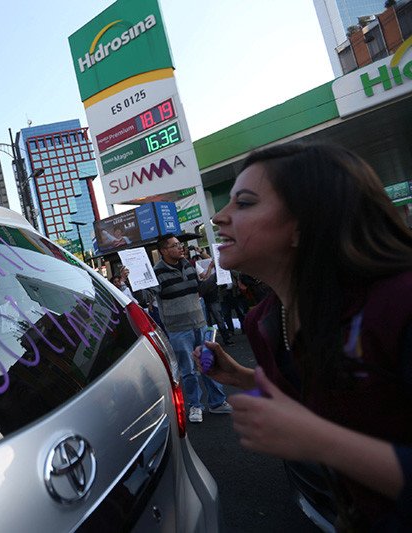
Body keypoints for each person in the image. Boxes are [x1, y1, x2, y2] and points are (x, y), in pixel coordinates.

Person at [198, 143, 412, 529]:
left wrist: (319, 441)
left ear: (305, 223)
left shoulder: (399, 302)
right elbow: (322, 393)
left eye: (244, 203)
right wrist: (244, 378)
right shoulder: (263, 322)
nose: (218, 217)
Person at [150, 234, 231, 423]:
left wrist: (218, 274)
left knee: (208, 364)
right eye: (175, 245)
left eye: (180, 244)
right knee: (188, 371)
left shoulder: (188, 265)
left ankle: (217, 402)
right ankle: (195, 405)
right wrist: (135, 281)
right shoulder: (157, 272)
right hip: (178, 329)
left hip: (200, 323)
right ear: (163, 250)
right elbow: (147, 295)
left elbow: (200, 289)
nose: (181, 247)